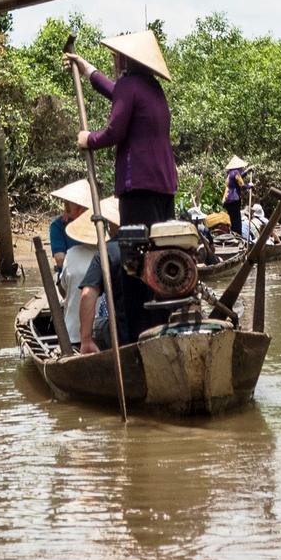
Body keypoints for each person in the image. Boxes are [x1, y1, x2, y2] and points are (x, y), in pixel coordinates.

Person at [64, 29, 177, 346]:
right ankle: (160, 329)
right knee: (158, 258)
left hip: (137, 186)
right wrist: (87, 68)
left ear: (127, 59)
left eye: (117, 57)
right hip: (164, 189)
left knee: (135, 265)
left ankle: (134, 339)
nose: (115, 61)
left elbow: (115, 130)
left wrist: (90, 140)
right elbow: (117, 94)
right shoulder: (152, 90)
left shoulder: (131, 86)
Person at [60, 207, 111, 350]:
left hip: (74, 335)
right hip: (106, 334)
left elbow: (64, 289)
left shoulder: (71, 254)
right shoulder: (109, 254)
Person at [222, 157, 251, 236]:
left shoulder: (230, 173)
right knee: (237, 220)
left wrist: (246, 172)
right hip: (234, 200)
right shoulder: (236, 172)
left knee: (232, 219)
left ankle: (232, 235)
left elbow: (238, 178)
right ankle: (238, 236)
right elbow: (242, 185)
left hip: (227, 200)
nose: (242, 168)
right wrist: (249, 186)